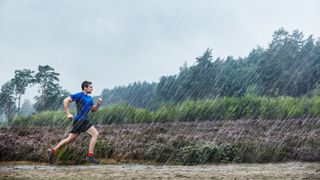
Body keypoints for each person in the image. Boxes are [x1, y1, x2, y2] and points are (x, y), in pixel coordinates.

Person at [47, 81, 103, 164]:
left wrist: (98, 104)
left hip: (82, 121)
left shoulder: (90, 98)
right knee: (95, 134)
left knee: (69, 139)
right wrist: (68, 113)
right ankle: (90, 156)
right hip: (80, 120)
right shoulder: (79, 95)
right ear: (85, 88)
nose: (92, 88)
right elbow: (66, 100)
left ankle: (53, 151)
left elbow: (93, 110)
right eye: (90, 87)